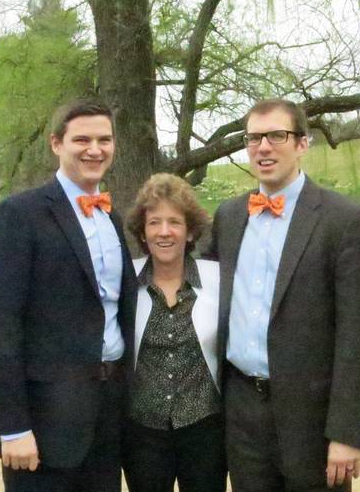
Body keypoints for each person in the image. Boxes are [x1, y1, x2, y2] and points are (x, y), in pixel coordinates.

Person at [205, 98, 360, 491]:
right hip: (242, 412)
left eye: (277, 136)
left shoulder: (346, 220)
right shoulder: (229, 217)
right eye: (254, 138)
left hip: (312, 419)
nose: (263, 147)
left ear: (302, 144)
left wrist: (348, 432)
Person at [0, 98, 137, 492]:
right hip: (45, 422)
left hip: (108, 413)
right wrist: (11, 427)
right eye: (82, 139)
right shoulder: (19, 215)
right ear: (56, 144)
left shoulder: (111, 217)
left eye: (104, 139)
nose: (94, 150)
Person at [123, 173, 226, 492]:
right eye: (154, 223)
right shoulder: (126, 282)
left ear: (191, 230)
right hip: (142, 433)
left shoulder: (218, 280)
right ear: (143, 231)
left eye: (174, 222)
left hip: (205, 429)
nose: (164, 232)